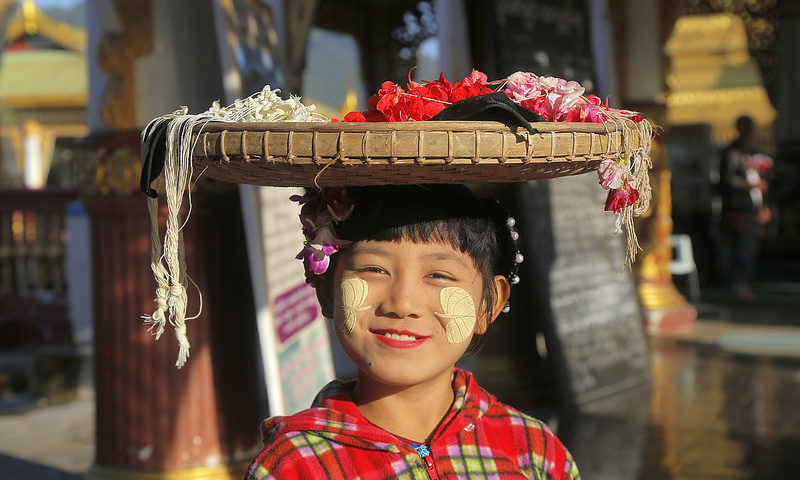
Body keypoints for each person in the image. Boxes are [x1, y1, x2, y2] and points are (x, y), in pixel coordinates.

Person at [245, 184, 580, 479]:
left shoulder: (533, 450)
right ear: (326, 292)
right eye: (374, 269)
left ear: (488, 304)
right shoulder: (295, 467)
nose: (402, 304)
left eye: (439, 275)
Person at [718, 116, 772, 301]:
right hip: (737, 208)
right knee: (740, 247)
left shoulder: (752, 152)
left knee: (749, 248)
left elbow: (760, 180)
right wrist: (748, 186)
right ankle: (738, 285)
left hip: (751, 207)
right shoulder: (732, 152)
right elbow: (727, 179)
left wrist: (763, 203)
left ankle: (744, 284)